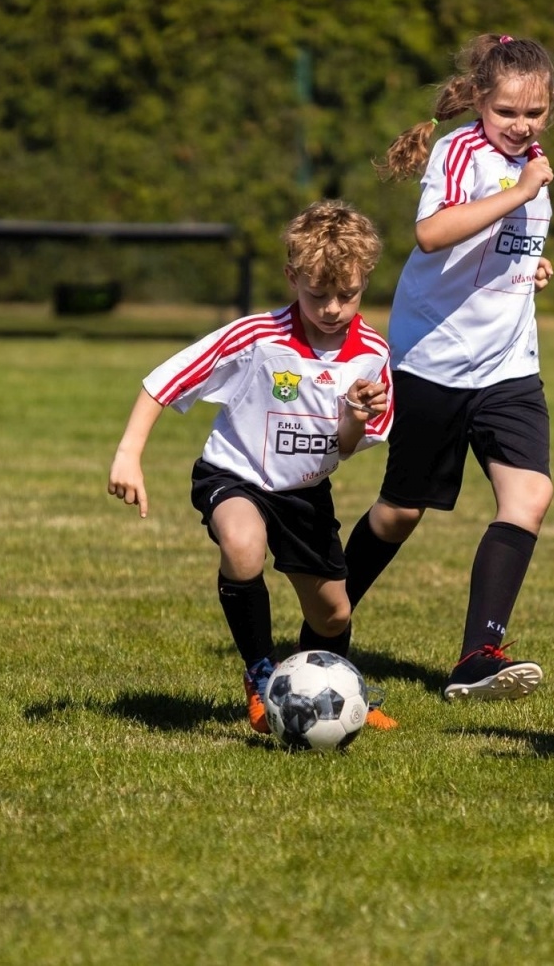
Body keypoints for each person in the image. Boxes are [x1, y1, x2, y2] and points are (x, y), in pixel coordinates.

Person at [107, 200, 398, 735]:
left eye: (347, 294)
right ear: (292, 278)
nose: (332, 307)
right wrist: (129, 454)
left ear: (365, 281)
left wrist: (357, 413)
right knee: (242, 545)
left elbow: (347, 446)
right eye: (317, 294)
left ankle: (337, 690)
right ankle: (262, 678)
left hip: (304, 494)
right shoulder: (255, 336)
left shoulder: (373, 354)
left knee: (333, 613)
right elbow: (162, 382)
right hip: (234, 475)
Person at [340, 33, 554, 702]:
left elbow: (499, 241)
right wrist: (521, 193)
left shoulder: (534, 162)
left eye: (536, 113)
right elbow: (432, 233)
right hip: (435, 362)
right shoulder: (459, 150)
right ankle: (324, 626)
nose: (522, 127)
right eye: (508, 114)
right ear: (481, 104)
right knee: (401, 511)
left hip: (508, 366)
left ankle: (478, 656)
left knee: (530, 496)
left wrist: (528, 266)